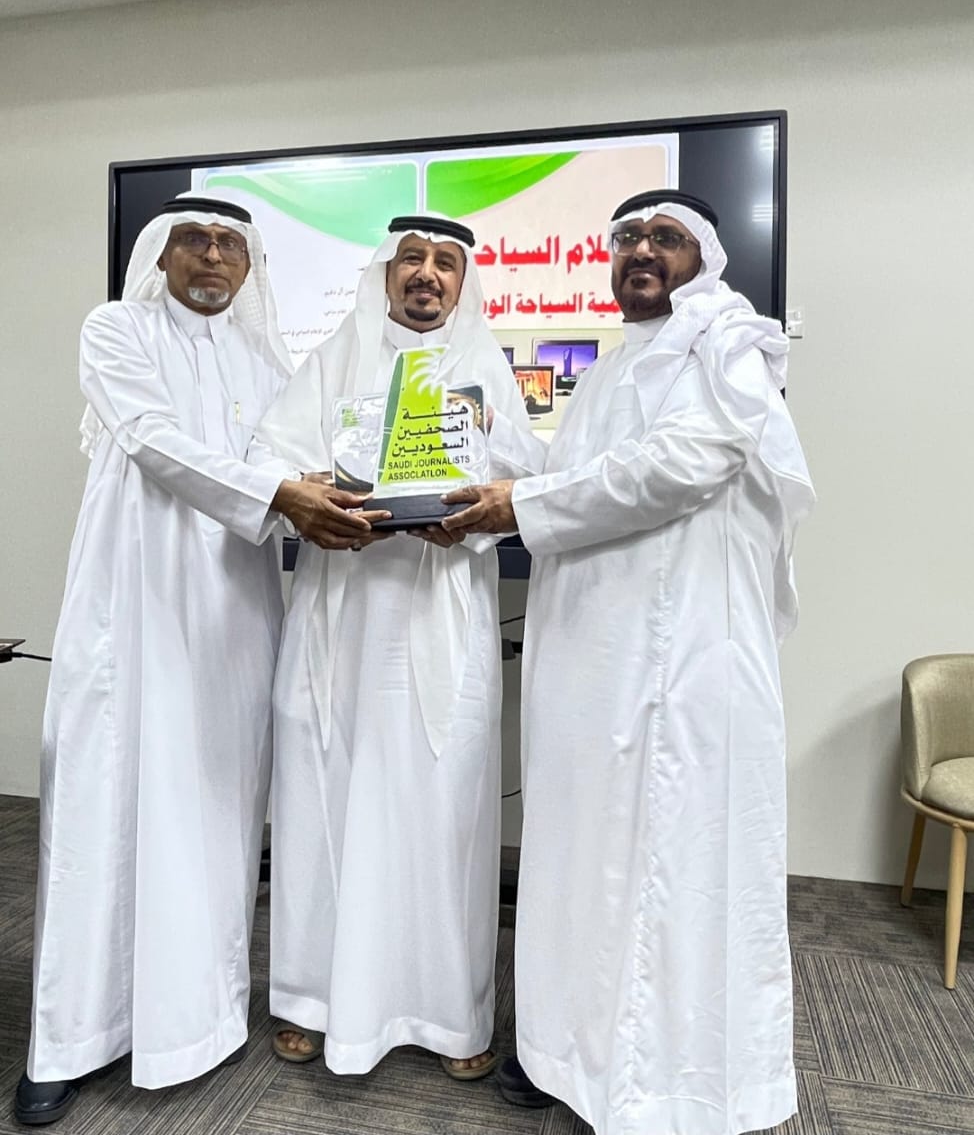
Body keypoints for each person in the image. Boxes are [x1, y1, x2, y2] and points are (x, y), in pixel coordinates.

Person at [441, 190, 815, 1135]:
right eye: (628, 239)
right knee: (582, 857)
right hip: (594, 668)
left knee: (668, 865)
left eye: (666, 238)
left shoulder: (725, 342)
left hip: (679, 666)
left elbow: (686, 463)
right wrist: (482, 463)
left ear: (706, 258)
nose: (641, 251)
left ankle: (663, 1085)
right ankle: (565, 1054)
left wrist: (521, 504)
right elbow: (572, 477)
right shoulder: (615, 362)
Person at [17, 195, 346, 1125]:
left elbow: (303, 462)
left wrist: (336, 488)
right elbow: (154, 439)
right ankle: (69, 1040)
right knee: (103, 807)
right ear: (160, 255)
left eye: (230, 244)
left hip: (235, 618)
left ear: (249, 266)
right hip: (134, 606)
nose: (211, 256)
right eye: (193, 240)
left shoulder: (267, 361)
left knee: (215, 816)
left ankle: (196, 1023)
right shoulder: (116, 330)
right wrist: (280, 491)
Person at [248, 214, 545, 1081]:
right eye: (411, 259)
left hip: (440, 614)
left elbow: (529, 478)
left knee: (442, 807)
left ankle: (449, 1014)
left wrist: (481, 503)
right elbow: (269, 460)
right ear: (385, 275)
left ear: (462, 283)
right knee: (325, 797)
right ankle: (312, 999)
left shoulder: (484, 368)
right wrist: (310, 498)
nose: (427, 275)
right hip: (339, 615)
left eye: (445, 263)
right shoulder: (331, 360)